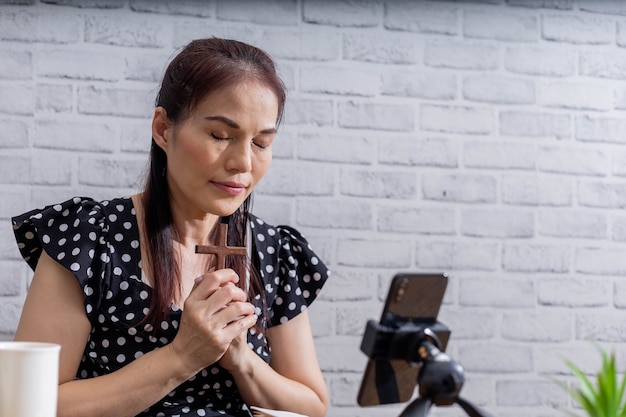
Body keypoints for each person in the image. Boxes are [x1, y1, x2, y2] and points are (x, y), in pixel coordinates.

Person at [11, 38, 330, 417]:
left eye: (261, 142)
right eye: (220, 136)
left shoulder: (273, 251)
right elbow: (27, 406)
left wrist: (242, 360)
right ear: (163, 129)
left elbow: (312, 406)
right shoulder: (88, 239)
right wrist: (182, 355)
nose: (243, 163)